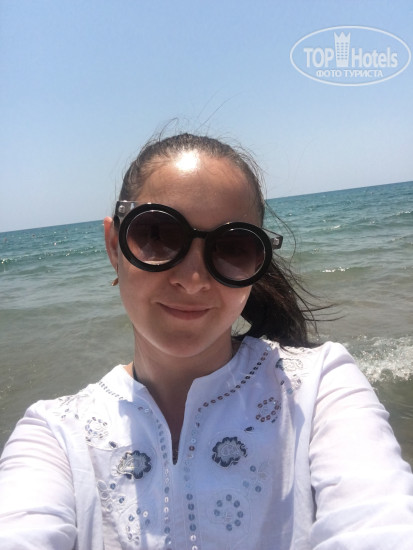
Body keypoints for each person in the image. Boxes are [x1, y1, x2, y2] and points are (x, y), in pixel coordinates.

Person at [0, 133, 412, 550]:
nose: (193, 280)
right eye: (158, 234)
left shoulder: (320, 388)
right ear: (114, 246)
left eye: (232, 247)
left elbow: (378, 519)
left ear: (257, 260)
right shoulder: (55, 436)